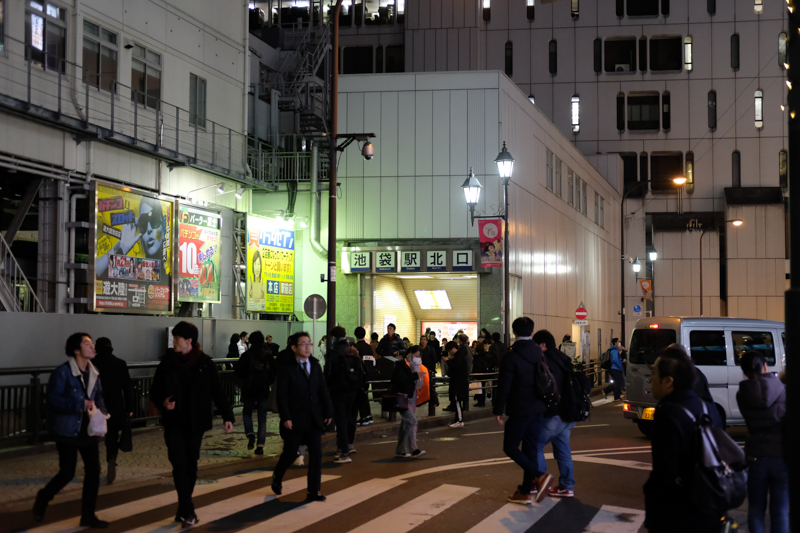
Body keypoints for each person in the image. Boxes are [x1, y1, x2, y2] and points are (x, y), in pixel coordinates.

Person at [150, 322, 234, 526]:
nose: (174, 341)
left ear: (189, 341)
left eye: (177, 338)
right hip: (173, 422)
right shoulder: (167, 363)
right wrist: (163, 401)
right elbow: (155, 390)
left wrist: (228, 416)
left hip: (196, 422)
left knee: (190, 466)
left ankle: (183, 508)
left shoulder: (205, 363)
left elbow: (218, 391)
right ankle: (189, 511)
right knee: (178, 463)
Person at [643, 345, 724, 533]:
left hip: (679, 513)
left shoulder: (668, 413)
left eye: (654, 374)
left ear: (668, 382)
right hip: (710, 504)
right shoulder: (709, 408)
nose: (651, 378)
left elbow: (664, 473)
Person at [33, 333, 109, 528]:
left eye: (92, 344)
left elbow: (98, 395)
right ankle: (43, 497)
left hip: (88, 428)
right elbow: (52, 400)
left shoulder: (94, 371)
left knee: (94, 471)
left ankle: (88, 515)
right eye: (87, 344)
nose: (92, 347)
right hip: (67, 429)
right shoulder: (63, 372)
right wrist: (79, 404)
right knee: (67, 472)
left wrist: (102, 412)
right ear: (76, 350)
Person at [493, 317, 553, 505]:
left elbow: (504, 385)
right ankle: (526, 491)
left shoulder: (511, 355)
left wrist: (498, 409)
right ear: (532, 333)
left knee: (510, 447)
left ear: (514, 332)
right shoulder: (539, 352)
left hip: (520, 409)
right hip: (538, 408)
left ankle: (539, 477)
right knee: (530, 449)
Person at [272, 332, 333, 502]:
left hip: (313, 418)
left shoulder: (314, 364)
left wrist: (328, 411)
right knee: (291, 452)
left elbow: (322, 389)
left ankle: (313, 491)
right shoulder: (287, 368)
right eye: (303, 344)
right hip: (295, 418)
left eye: (309, 343)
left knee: (316, 454)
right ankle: (277, 476)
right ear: (294, 347)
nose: (307, 347)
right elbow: (281, 395)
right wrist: (286, 417)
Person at [736, 350, 788, 533]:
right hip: (781, 455)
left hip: (755, 456)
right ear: (765, 366)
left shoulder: (742, 394)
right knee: (780, 511)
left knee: (756, 509)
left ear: (745, 371)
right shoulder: (781, 389)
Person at [532, 330, 576, 498]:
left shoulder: (545, 361)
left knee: (534, 444)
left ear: (543, 345)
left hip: (553, 413)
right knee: (563, 450)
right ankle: (567, 486)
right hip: (568, 412)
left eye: (536, 345)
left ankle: (541, 480)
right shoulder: (564, 359)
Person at [91, 337, 133, 485]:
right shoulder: (120, 364)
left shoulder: (92, 364)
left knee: (92, 436)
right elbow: (127, 387)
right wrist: (130, 408)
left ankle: (92, 465)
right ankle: (111, 458)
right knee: (112, 436)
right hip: (116, 406)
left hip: (95, 406)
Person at [324, 326, 362, 463]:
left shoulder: (333, 352)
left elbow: (328, 373)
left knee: (340, 420)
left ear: (333, 337)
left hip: (338, 390)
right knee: (348, 417)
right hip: (352, 390)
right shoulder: (352, 350)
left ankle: (344, 452)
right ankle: (345, 446)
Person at [235, 331, 275, 456]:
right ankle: (260, 446)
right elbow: (275, 370)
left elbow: (238, 371)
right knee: (262, 418)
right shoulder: (267, 356)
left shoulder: (246, 355)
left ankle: (250, 434)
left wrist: (245, 380)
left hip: (249, 389)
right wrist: (268, 381)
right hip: (263, 389)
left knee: (247, 413)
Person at [392, 345, 427, 458]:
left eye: (419, 356)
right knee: (412, 422)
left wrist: (417, 371)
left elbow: (418, 385)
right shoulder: (401, 365)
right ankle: (413, 448)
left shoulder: (415, 366)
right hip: (402, 398)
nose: (418, 358)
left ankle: (401, 450)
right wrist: (415, 375)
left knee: (406, 424)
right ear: (410, 353)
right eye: (416, 355)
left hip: (411, 397)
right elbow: (401, 380)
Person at [444, 341, 469, 428]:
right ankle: (457, 419)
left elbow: (456, 368)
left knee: (457, 401)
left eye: (450, 350)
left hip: (458, 383)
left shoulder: (459, 357)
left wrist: (448, 361)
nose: (449, 353)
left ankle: (459, 420)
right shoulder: (460, 356)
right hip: (459, 383)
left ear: (454, 349)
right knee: (456, 402)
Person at [354, 327, 375, 427]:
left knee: (360, 397)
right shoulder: (368, 346)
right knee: (365, 396)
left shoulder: (356, 347)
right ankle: (368, 416)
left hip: (361, 376)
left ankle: (364, 417)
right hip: (369, 374)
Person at [472, 342, 490, 407]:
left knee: (479, 389)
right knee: (482, 389)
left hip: (479, 375)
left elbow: (477, 368)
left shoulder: (478, 358)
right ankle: (481, 402)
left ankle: (480, 402)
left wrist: (474, 375)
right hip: (483, 375)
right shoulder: (485, 356)